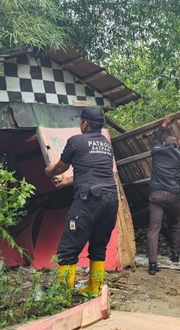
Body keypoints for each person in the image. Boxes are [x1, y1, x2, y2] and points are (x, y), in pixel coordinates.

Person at [45, 107, 118, 296]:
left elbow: (61, 167)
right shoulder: (106, 144)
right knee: (98, 245)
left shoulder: (76, 141)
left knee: (69, 247)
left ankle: (62, 296)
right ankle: (94, 289)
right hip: (110, 200)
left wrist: (51, 171)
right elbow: (92, 172)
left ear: (85, 123)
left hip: (88, 200)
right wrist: (66, 183)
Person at [147, 115, 180, 276]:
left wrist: (163, 124)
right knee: (175, 224)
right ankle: (175, 255)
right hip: (172, 196)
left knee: (153, 229)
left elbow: (156, 138)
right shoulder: (179, 156)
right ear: (176, 145)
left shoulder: (157, 151)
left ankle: (152, 264)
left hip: (156, 196)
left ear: (165, 144)